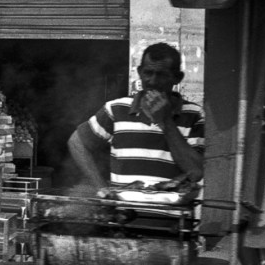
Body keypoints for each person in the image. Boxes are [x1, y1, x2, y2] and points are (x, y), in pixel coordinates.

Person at [67, 43, 204, 189]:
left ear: (177, 78)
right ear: (139, 72)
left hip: (172, 211)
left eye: (162, 75)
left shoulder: (194, 115)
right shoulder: (116, 109)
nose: (152, 81)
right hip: (123, 212)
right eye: (148, 73)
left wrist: (165, 120)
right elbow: (77, 143)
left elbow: (195, 172)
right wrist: (101, 189)